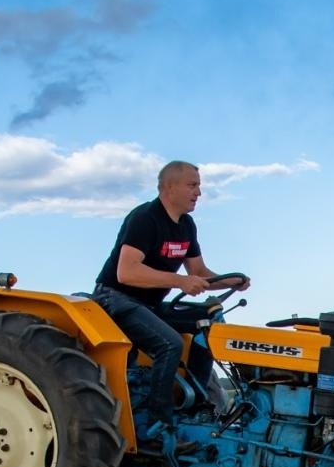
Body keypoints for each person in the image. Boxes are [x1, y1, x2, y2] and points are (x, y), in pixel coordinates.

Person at [91, 160, 251, 449]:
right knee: (170, 343)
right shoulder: (145, 218)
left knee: (208, 324)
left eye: (199, 186)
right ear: (169, 187)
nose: (199, 193)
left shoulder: (186, 225)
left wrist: (232, 281)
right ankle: (157, 429)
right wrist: (179, 282)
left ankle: (198, 409)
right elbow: (126, 272)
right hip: (114, 299)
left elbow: (198, 273)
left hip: (150, 305)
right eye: (192, 185)